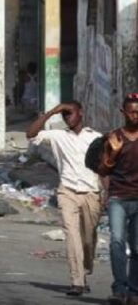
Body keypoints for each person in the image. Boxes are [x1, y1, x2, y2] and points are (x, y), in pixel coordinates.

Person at [26, 101, 102, 297]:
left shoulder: (96, 138)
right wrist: (52, 112)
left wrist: (106, 192)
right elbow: (31, 134)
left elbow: (104, 166)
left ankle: (85, 270)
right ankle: (77, 281)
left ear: (81, 113)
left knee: (88, 239)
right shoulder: (58, 136)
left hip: (91, 192)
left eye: (70, 113)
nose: (68, 118)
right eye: (65, 115)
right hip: (67, 191)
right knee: (72, 235)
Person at [99, 94, 138, 304]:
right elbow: (103, 170)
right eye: (131, 111)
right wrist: (113, 154)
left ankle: (134, 291)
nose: (135, 115)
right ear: (123, 113)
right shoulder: (114, 137)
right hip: (118, 197)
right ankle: (119, 289)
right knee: (116, 242)